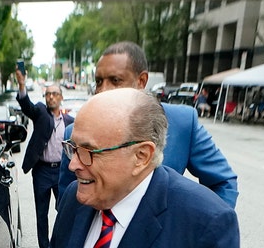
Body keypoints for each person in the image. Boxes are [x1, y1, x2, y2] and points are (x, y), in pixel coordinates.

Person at [51, 88, 239, 248]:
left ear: (141, 156)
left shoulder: (206, 225)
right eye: (73, 147)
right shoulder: (72, 198)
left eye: (88, 151)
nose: (73, 164)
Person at [59, 41, 239, 208]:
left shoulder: (183, 122)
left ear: (141, 81)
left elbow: (224, 183)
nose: (102, 90)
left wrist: (198, 231)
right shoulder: (74, 135)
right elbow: (68, 204)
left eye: (115, 80)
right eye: (99, 81)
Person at [16, 69, 75, 248]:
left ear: (61, 97)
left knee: (64, 210)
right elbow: (27, 107)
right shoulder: (41, 113)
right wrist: (21, 84)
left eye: (54, 94)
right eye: (48, 94)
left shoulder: (70, 121)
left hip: (61, 171)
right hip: (42, 171)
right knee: (41, 214)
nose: (50, 97)